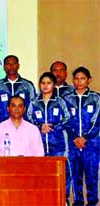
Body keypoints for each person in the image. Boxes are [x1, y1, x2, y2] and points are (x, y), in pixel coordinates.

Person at [27, 72, 71, 204]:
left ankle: (64, 200)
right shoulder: (34, 102)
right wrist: (40, 126)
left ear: (54, 85)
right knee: (41, 174)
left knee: (61, 174)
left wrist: (53, 127)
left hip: (58, 144)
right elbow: (28, 118)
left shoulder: (60, 101)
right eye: (43, 83)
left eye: (49, 83)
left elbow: (67, 118)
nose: (45, 86)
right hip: (39, 145)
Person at [63, 67, 99, 205]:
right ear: (73, 80)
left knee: (91, 175)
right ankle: (77, 202)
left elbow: (97, 121)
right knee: (75, 175)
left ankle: (92, 202)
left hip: (91, 144)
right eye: (76, 79)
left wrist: (85, 137)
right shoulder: (66, 99)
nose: (79, 81)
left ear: (89, 80)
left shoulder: (96, 98)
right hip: (72, 145)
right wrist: (74, 137)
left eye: (82, 78)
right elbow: (65, 120)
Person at [0, 55, 36, 123]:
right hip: (3, 125)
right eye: (8, 64)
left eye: (14, 63)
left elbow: (33, 107)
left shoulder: (28, 86)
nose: (11, 66)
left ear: (18, 66)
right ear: (4, 67)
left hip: (24, 125)